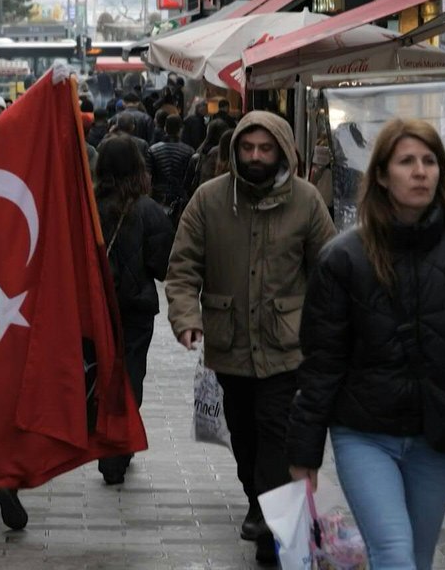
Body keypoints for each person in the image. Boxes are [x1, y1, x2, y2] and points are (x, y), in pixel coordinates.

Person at [285, 118, 445, 570]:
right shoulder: (344, 259)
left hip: (436, 436)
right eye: (406, 161)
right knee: (394, 554)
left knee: (417, 559)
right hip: (364, 433)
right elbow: (322, 363)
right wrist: (304, 451)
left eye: (429, 161)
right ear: (381, 175)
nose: (420, 171)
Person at [165, 111, 336, 564]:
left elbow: (330, 270)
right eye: (248, 148)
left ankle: (275, 535)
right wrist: (186, 317)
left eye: (265, 148)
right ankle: (260, 503)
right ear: (235, 150)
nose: (256, 156)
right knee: (245, 439)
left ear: (281, 149)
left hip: (288, 349)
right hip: (230, 349)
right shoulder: (208, 201)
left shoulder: (307, 201)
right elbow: (182, 270)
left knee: (277, 436)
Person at [94, 137, 172, 485]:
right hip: (136, 309)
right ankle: (117, 450)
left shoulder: (87, 206)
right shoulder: (150, 211)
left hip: (95, 308)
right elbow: (162, 267)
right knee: (129, 377)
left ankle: (102, 438)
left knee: (97, 373)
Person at [147, 114, 193, 223]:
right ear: (180, 130)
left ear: (165, 128)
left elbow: (148, 177)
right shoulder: (189, 151)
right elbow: (190, 180)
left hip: (158, 197)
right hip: (180, 199)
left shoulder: (153, 149)